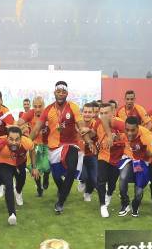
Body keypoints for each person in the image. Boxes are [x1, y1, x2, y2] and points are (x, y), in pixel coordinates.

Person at [30, 81, 101, 214]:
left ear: (67, 93)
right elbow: (36, 129)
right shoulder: (48, 110)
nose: (61, 94)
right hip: (53, 149)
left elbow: (80, 125)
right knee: (56, 176)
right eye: (58, 91)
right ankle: (63, 190)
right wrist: (27, 142)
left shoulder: (73, 107)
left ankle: (60, 202)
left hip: (70, 145)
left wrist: (88, 142)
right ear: (54, 93)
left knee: (71, 169)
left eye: (63, 92)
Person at [0, 126, 37, 225]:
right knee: (9, 186)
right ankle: (12, 214)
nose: (14, 142)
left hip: (20, 164)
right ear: (7, 138)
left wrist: (34, 167)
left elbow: (32, 151)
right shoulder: (0, 143)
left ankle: (18, 192)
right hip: (4, 164)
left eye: (17, 139)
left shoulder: (27, 142)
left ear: (21, 138)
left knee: (21, 182)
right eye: (11, 139)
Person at [120, 116, 152, 217]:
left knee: (139, 191)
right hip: (128, 159)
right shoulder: (120, 127)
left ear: (138, 127)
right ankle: (125, 203)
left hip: (142, 162)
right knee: (123, 177)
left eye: (132, 130)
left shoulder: (146, 135)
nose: (129, 133)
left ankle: (135, 205)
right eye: (127, 130)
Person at [17, 96, 50, 197]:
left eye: (40, 106)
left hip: (47, 144)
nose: (37, 109)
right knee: (33, 167)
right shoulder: (30, 113)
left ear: (44, 106)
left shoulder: (49, 113)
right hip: (34, 144)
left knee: (46, 166)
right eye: (35, 106)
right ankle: (39, 188)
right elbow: (19, 123)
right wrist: (17, 127)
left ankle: (47, 176)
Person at [77, 102, 100, 201]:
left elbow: (95, 133)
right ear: (82, 112)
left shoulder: (96, 124)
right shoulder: (77, 123)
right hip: (79, 154)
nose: (87, 114)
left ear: (93, 113)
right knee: (84, 175)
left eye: (89, 112)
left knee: (94, 179)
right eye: (85, 111)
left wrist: (89, 130)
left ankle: (88, 192)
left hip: (92, 154)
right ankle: (82, 180)